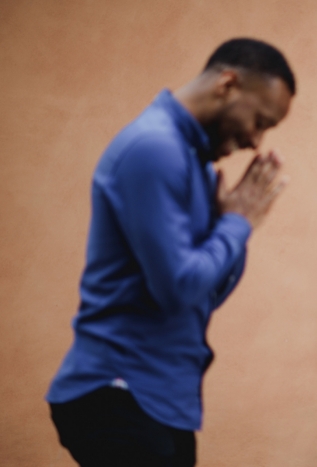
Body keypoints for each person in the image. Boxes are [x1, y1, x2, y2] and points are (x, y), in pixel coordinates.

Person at [46, 38, 295, 467]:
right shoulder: (155, 148)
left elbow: (204, 294)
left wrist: (227, 228)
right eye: (259, 120)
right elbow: (179, 287)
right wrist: (237, 224)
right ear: (228, 84)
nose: (256, 141)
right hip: (121, 393)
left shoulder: (192, 160)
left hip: (163, 400)